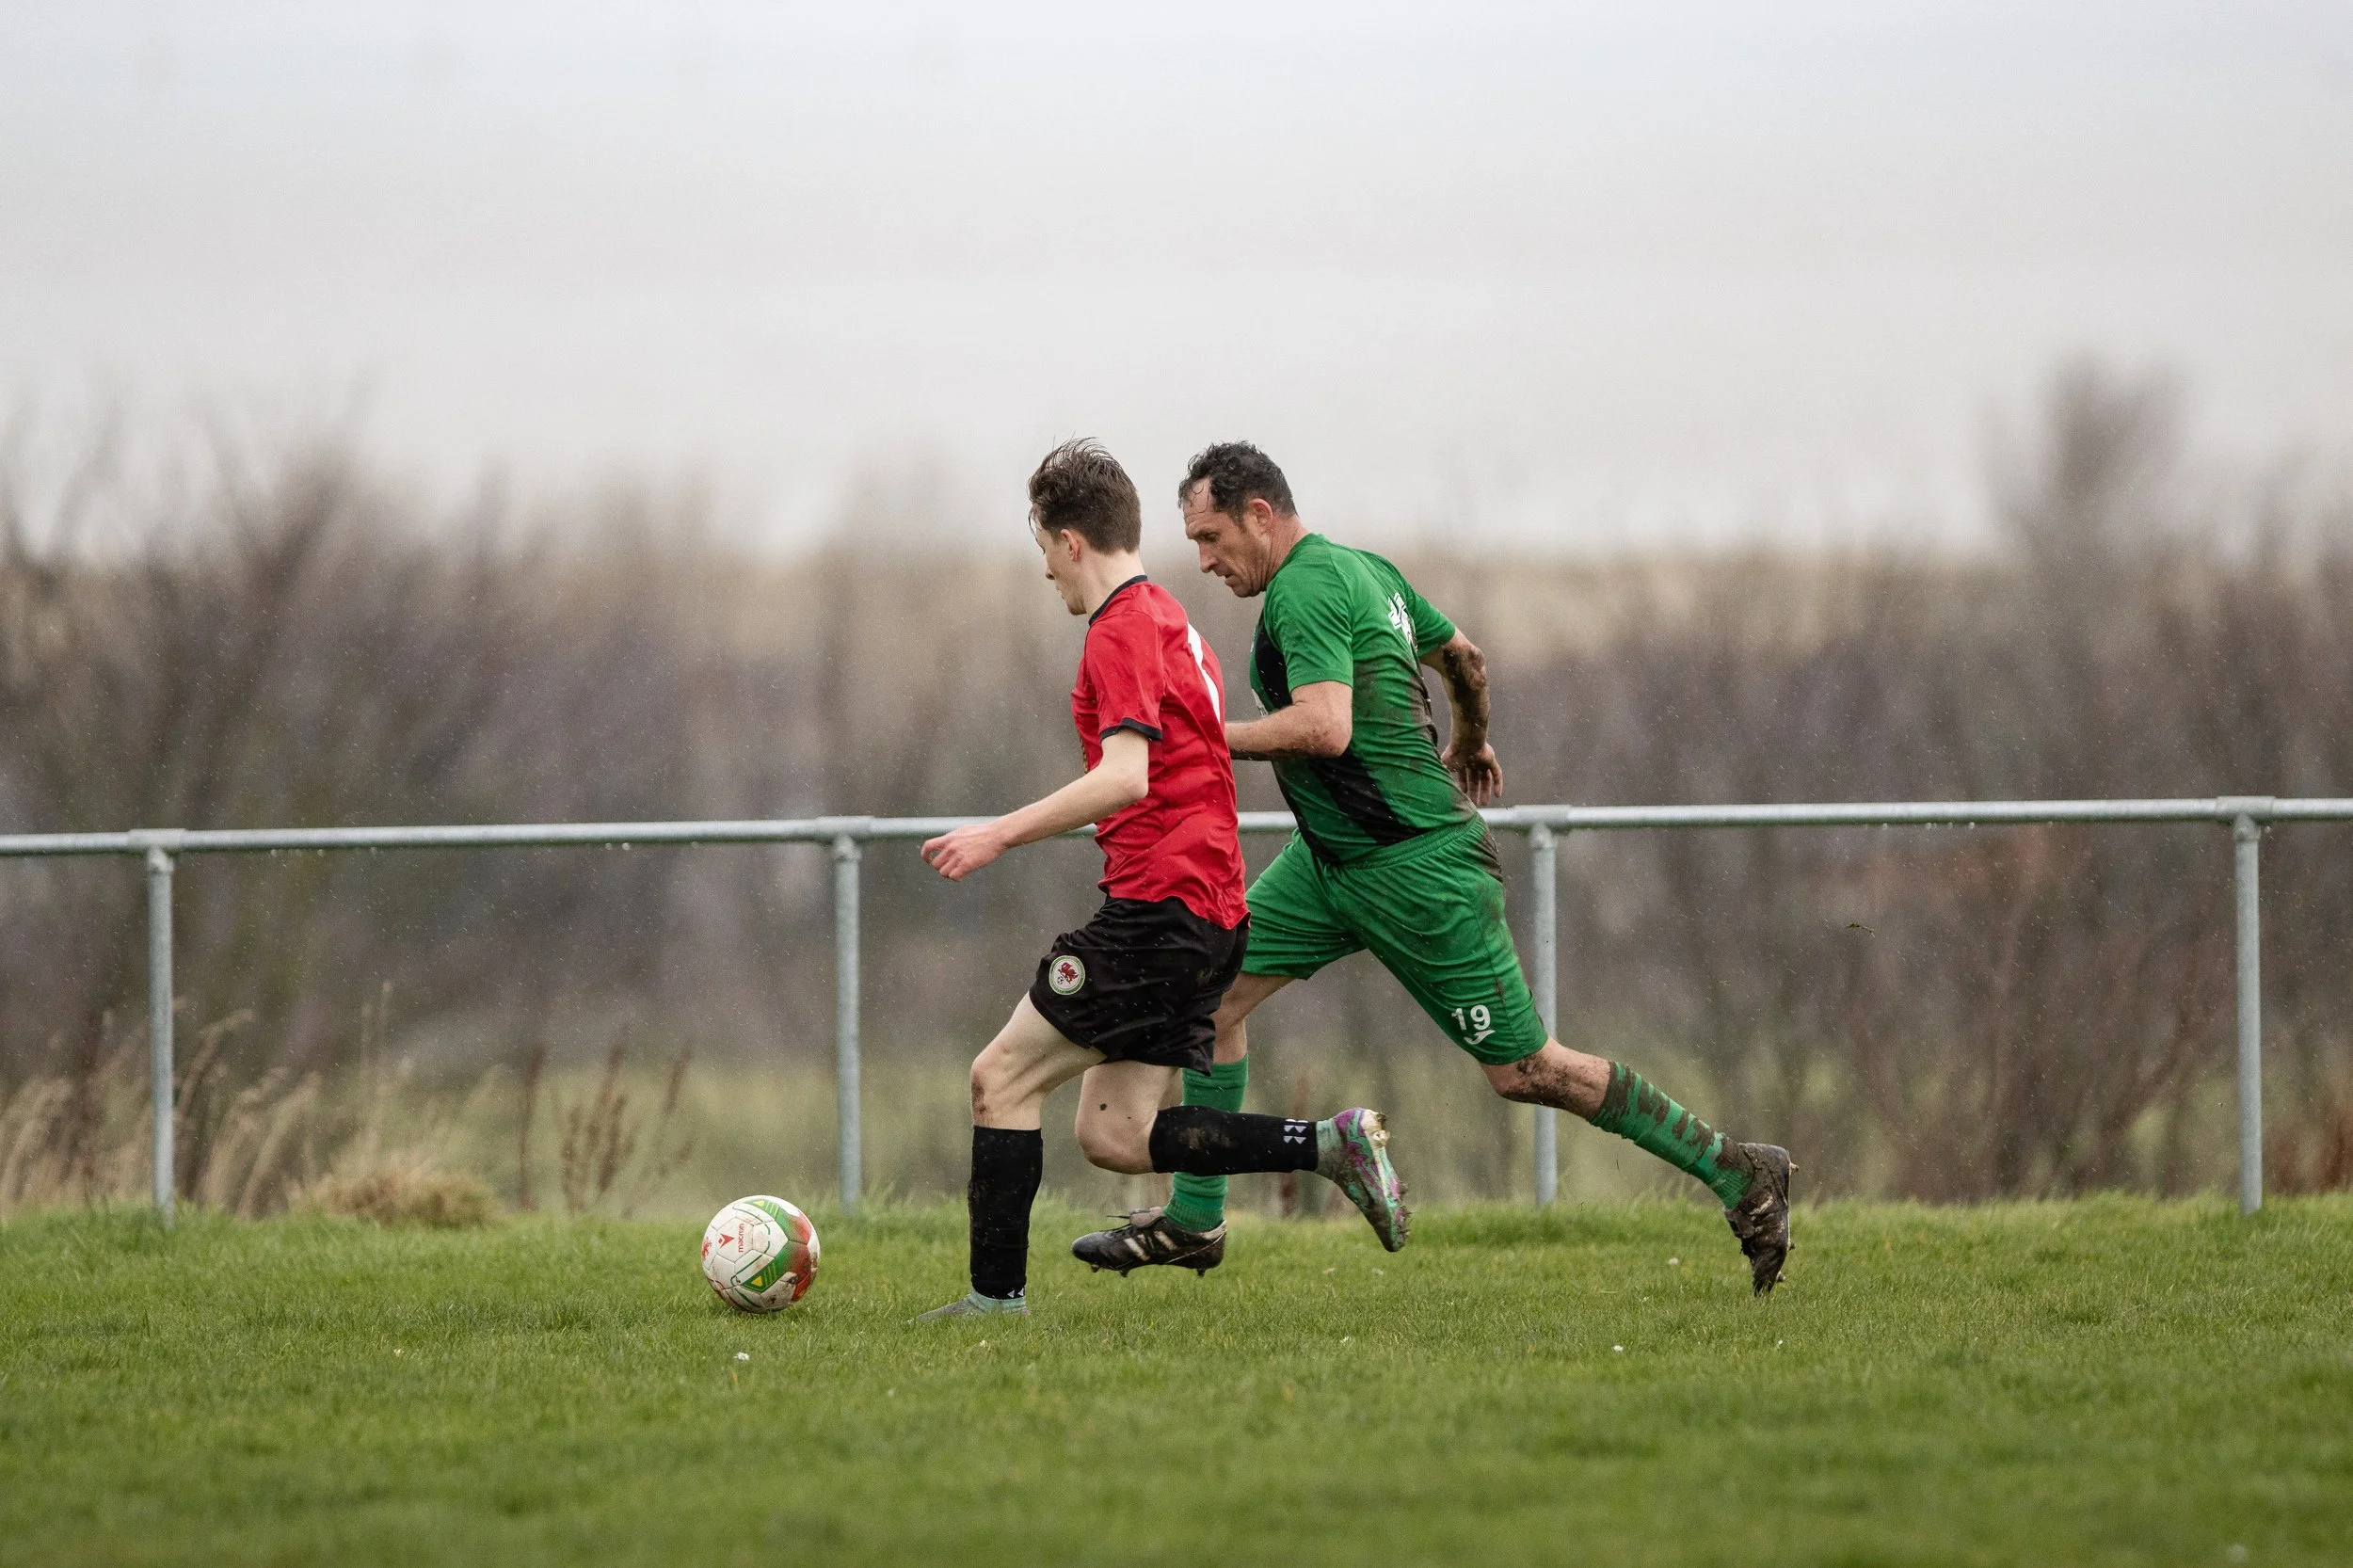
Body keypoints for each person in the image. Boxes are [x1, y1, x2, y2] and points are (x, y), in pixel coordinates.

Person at [1070, 442, 1795, 1293]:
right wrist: (1473, 737)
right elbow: (1467, 661)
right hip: (1330, 863)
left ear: (1260, 514)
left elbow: (1324, 727)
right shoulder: (1367, 570)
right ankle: (1196, 1221)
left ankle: (1741, 1170)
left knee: (1526, 1071)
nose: (1203, 560)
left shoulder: (1304, 588)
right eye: (1193, 542)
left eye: (1212, 536)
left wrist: (1204, 740)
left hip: (1418, 874)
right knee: (1214, 996)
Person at [913, 439, 1407, 1322]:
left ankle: (994, 1302)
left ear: (1071, 543)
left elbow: (1126, 777)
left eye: (1044, 557)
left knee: (1000, 1080)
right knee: (1113, 1135)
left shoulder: (1121, 630)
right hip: (1209, 916)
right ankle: (1328, 1146)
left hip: (1159, 915)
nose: (1049, 581)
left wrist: (999, 834)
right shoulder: (1176, 621)